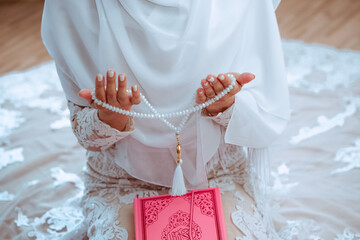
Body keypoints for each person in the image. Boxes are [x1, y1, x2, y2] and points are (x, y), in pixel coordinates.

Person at [41, 0, 289, 239]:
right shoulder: (77, 5)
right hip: (120, 182)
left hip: (218, 176)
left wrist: (224, 106)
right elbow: (85, 134)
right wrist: (110, 117)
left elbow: (265, 112)